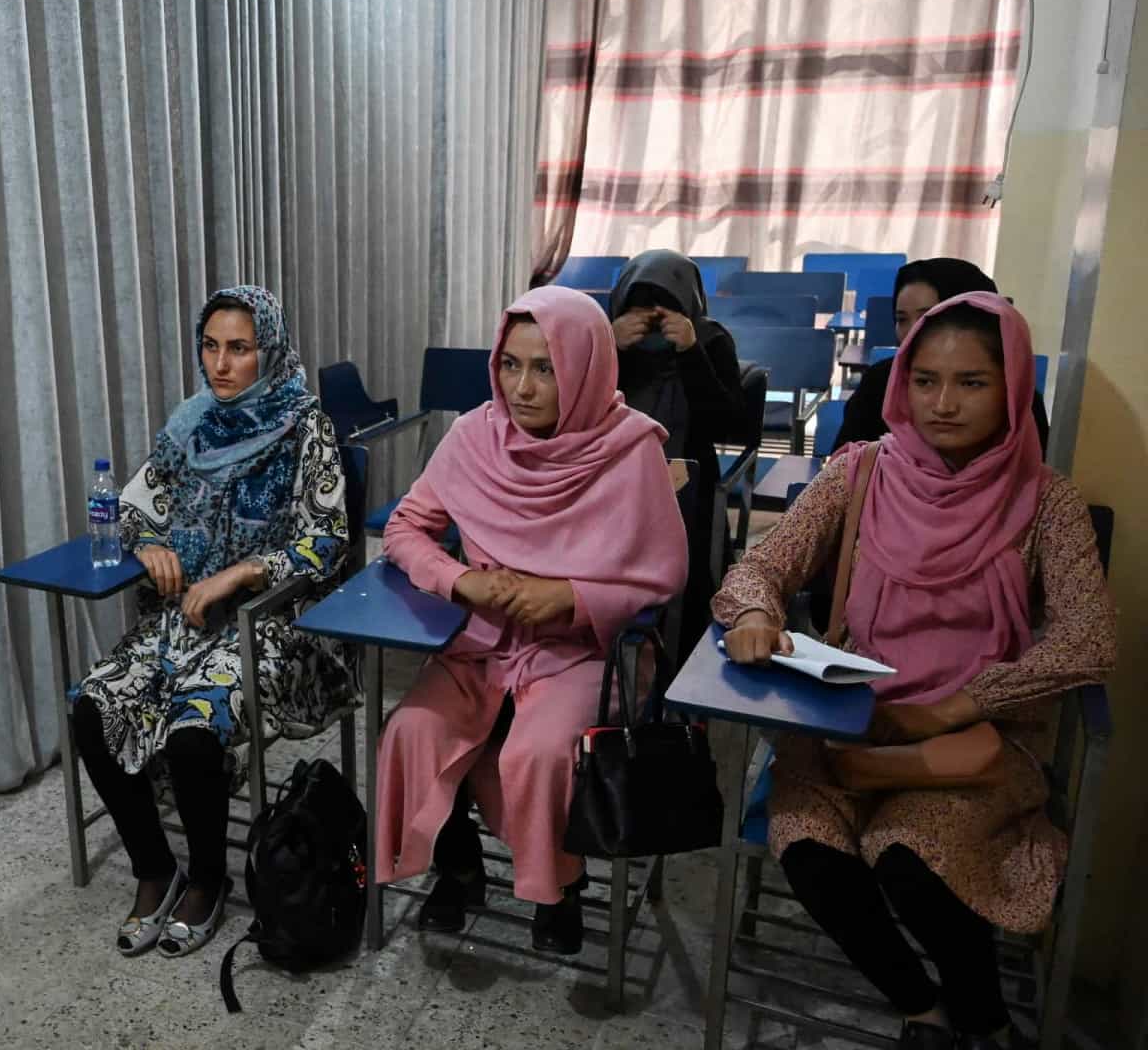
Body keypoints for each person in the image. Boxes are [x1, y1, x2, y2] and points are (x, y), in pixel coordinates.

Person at [714, 293, 1116, 1050]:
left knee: (910, 860)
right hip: (849, 721)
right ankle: (922, 1006)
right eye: (925, 379)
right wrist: (757, 614)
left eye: (972, 382)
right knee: (808, 848)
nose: (942, 403)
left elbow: (1088, 640)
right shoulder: (860, 472)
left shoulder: (1046, 503)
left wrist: (958, 704)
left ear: (1013, 389)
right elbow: (762, 565)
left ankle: (986, 1019)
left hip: (974, 738)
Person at [376, 286, 687, 954]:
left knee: (540, 750)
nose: (521, 387)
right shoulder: (475, 436)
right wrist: (458, 578)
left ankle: (559, 889)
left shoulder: (629, 452)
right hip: (482, 644)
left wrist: (569, 597)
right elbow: (406, 528)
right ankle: (459, 870)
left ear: (586, 367)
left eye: (544, 368)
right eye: (509, 365)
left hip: (579, 651)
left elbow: (661, 578)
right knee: (410, 729)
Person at [69, 285, 354, 959]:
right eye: (211, 346)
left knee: (197, 728)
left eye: (239, 349)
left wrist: (243, 572)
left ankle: (207, 880)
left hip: (270, 624)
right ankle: (153, 867)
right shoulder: (191, 422)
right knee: (92, 707)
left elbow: (330, 536)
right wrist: (147, 545)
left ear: (269, 351)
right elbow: (134, 506)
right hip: (184, 622)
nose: (221, 365)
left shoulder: (303, 423)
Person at [607, 250, 751, 660]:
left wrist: (690, 352)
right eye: (640, 304)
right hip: (609, 477)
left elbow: (727, 424)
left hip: (688, 478)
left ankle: (679, 666)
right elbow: (579, 409)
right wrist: (609, 345)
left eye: (665, 305)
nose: (651, 317)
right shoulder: (603, 338)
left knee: (689, 580)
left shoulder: (710, 341)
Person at [832, 258, 1049, 453]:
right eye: (901, 319)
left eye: (929, 317)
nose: (912, 331)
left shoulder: (1018, 397)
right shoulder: (881, 382)